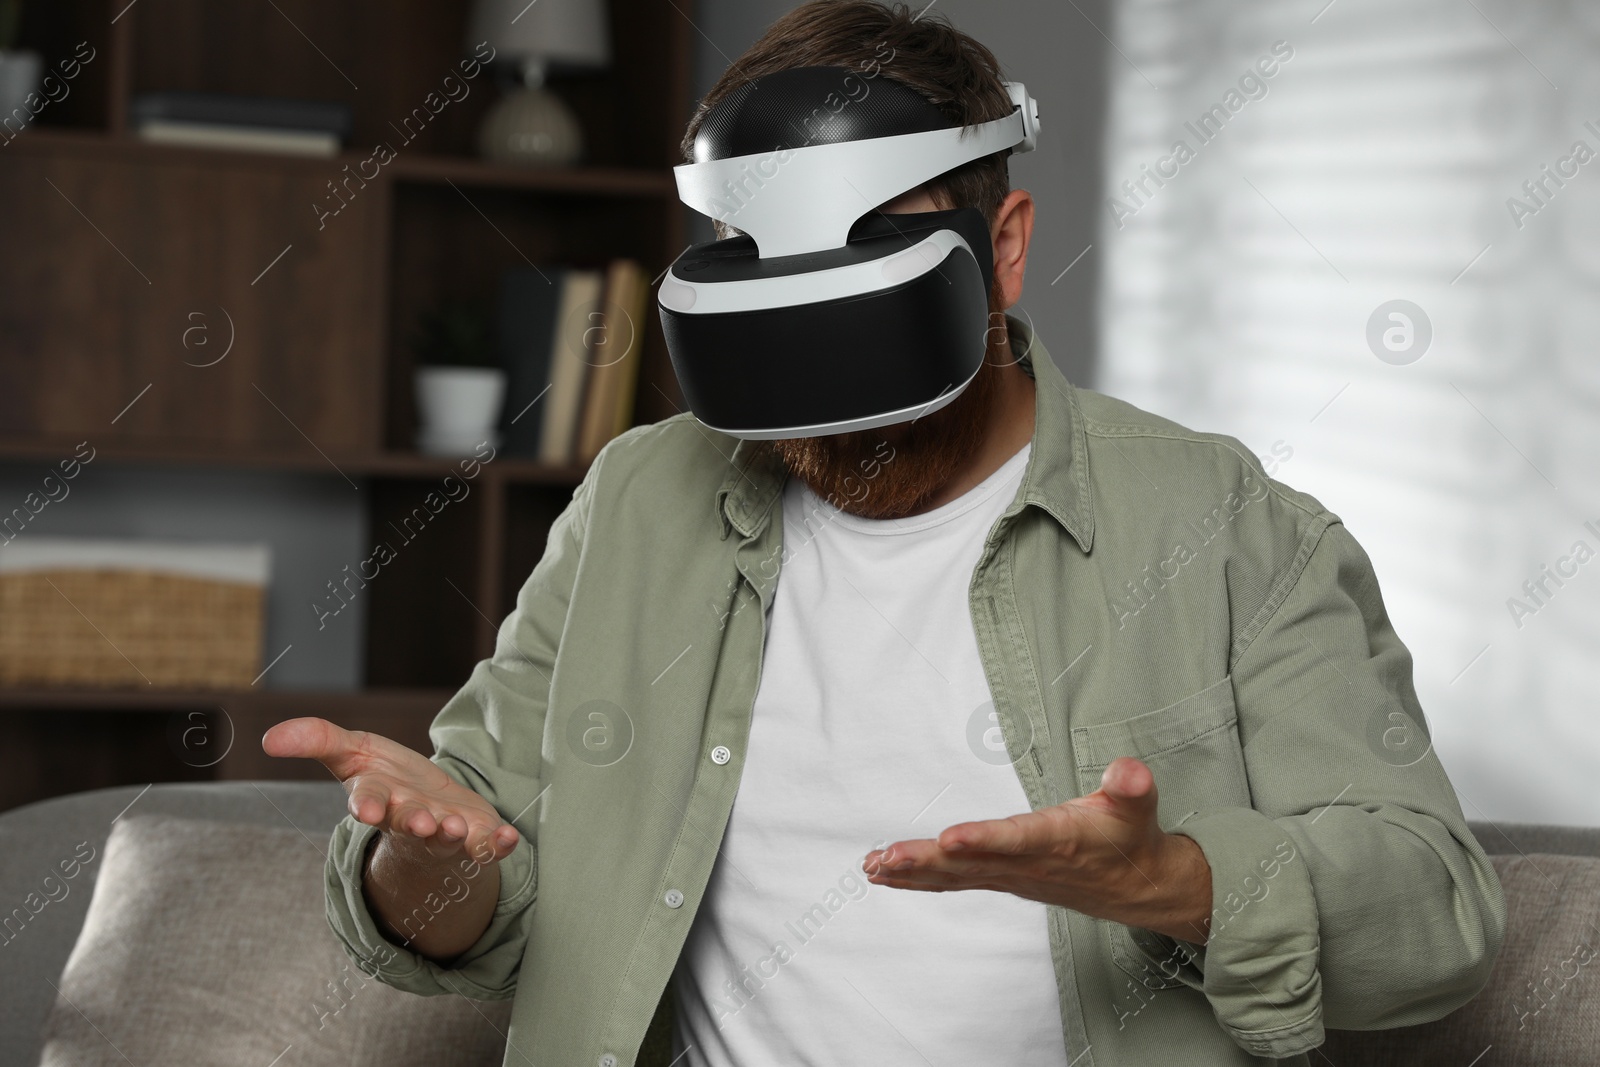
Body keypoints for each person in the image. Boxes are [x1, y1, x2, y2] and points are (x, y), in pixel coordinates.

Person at [264, 3, 1506, 1065]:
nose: (830, 432)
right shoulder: (640, 498)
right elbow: (475, 866)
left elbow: (1437, 914)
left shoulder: (1224, 525)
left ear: (1004, 249)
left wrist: (1176, 881)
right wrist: (428, 868)